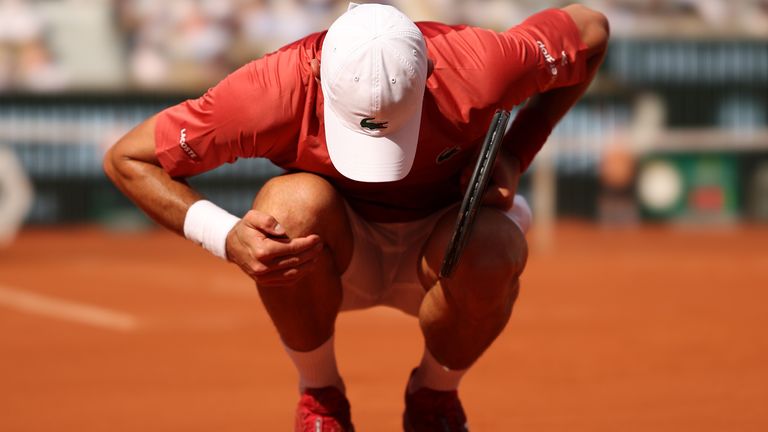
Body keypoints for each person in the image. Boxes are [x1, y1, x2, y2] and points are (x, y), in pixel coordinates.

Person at [103, 3, 609, 431]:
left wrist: (517, 154)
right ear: (319, 79)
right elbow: (128, 158)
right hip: (334, 249)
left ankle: (434, 396)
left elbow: (592, 29)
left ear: (430, 75)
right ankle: (321, 396)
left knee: (495, 249)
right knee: (287, 208)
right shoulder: (268, 91)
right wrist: (225, 235)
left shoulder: (480, 64)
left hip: (445, 239)